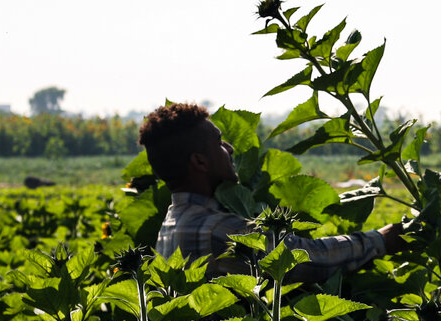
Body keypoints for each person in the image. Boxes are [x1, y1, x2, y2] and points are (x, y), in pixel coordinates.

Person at [138, 103, 403, 281]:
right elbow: (302, 257)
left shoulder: (173, 221)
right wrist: (380, 240)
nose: (229, 149)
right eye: (219, 143)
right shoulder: (214, 228)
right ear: (200, 162)